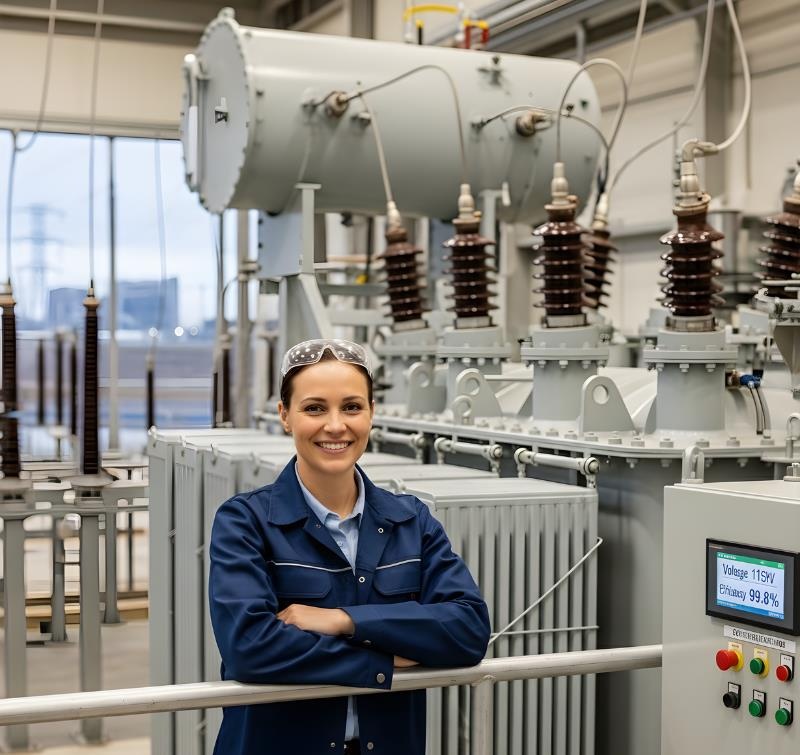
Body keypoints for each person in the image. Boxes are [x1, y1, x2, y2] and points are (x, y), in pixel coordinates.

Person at [209, 338, 490, 755]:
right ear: (285, 415)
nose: (336, 425)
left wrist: (340, 620)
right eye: (315, 408)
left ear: (372, 414)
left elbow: (468, 629)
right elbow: (251, 647)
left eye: (352, 407)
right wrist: (383, 660)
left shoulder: (411, 521)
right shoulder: (245, 522)